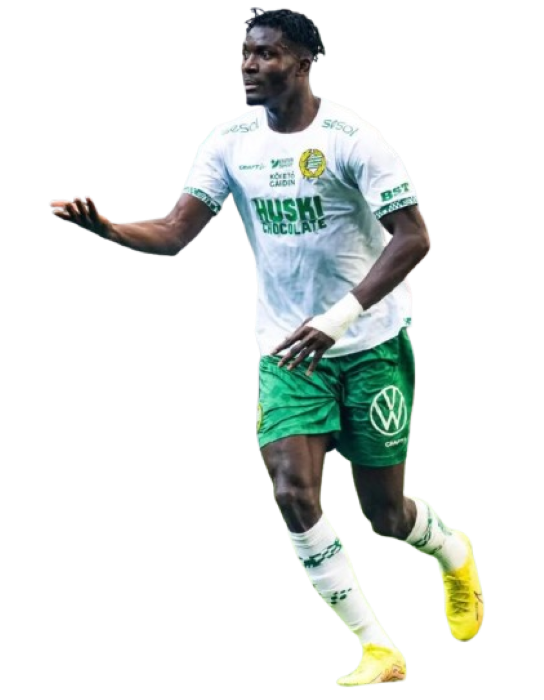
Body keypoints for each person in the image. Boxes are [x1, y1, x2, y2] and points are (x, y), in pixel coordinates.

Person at [48, 6, 485, 688]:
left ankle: (453, 551)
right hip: (287, 351)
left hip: (369, 343)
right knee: (292, 490)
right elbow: (175, 232)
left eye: (267, 54)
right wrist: (109, 229)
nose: (249, 66)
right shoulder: (229, 143)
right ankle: (378, 648)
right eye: (245, 53)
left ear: (304, 64)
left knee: (384, 515)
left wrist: (339, 318)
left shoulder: (353, 138)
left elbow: (415, 237)